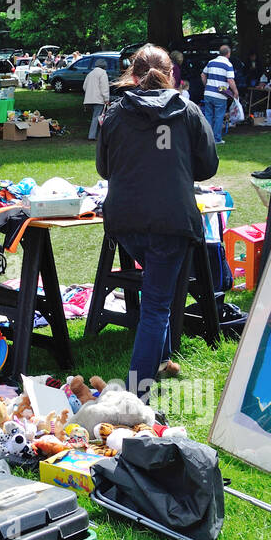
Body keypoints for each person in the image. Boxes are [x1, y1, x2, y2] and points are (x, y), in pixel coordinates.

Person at [96, 45, 219, 402]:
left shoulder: (114, 114)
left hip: (126, 221)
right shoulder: (189, 111)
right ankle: (137, 393)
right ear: (172, 75)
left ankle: (162, 359)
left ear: (132, 75)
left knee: (157, 291)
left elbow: (105, 168)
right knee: (156, 305)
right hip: (168, 220)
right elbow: (207, 165)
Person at [199, 44, 238, 145]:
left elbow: (203, 74)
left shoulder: (211, 62)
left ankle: (207, 138)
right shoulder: (228, 64)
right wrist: (235, 91)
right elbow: (230, 79)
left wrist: (206, 85)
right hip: (220, 94)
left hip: (208, 93)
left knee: (208, 115)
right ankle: (217, 139)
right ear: (228, 54)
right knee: (219, 116)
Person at [82, 60, 111, 140]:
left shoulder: (90, 74)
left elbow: (84, 87)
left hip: (88, 100)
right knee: (97, 118)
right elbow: (104, 87)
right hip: (98, 99)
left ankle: (97, 135)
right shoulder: (103, 73)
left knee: (95, 117)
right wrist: (106, 99)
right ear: (104, 66)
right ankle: (92, 136)